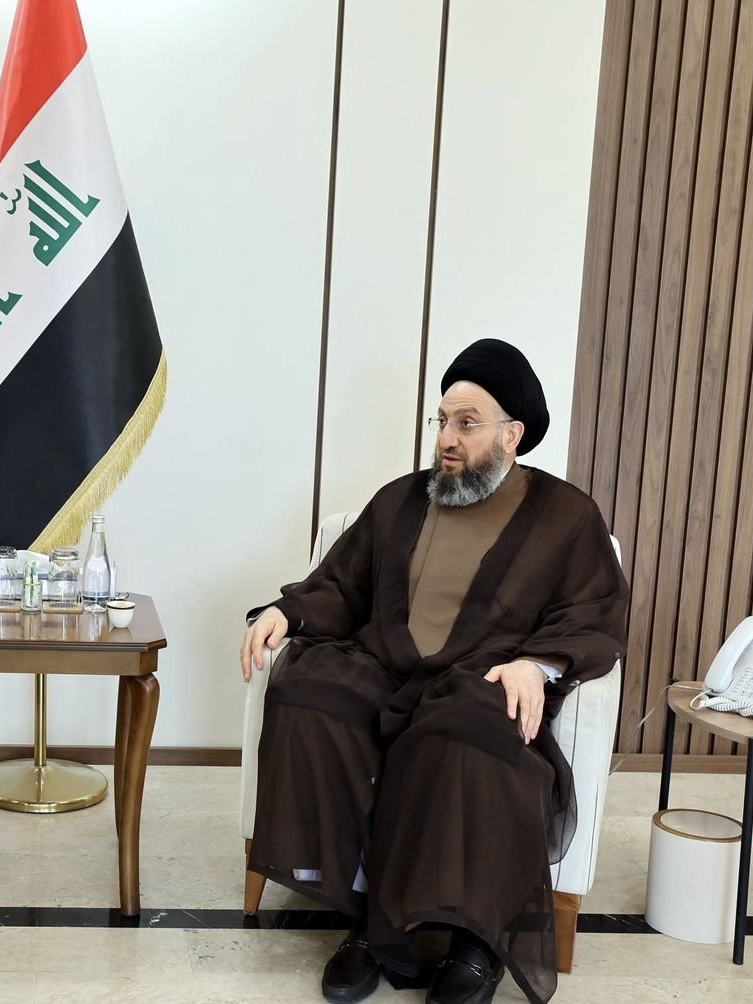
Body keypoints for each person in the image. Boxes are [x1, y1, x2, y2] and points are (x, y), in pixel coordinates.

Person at [240, 339, 627, 1004]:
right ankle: (369, 924)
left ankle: (476, 942)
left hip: (482, 679)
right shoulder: (400, 500)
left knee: (463, 736)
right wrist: (289, 612)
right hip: (384, 665)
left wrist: (536, 665)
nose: (447, 438)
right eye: (442, 420)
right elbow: (344, 584)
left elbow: (592, 613)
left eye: (466, 424)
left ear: (512, 435)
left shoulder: (567, 517)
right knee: (310, 694)